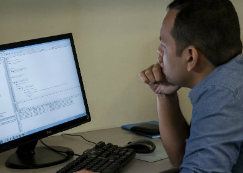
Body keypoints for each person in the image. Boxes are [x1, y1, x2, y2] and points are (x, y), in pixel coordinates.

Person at [76, 0, 243, 172]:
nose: (159, 51)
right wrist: (165, 95)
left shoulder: (223, 94)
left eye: (164, 44)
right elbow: (182, 159)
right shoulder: (230, 77)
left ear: (191, 57)